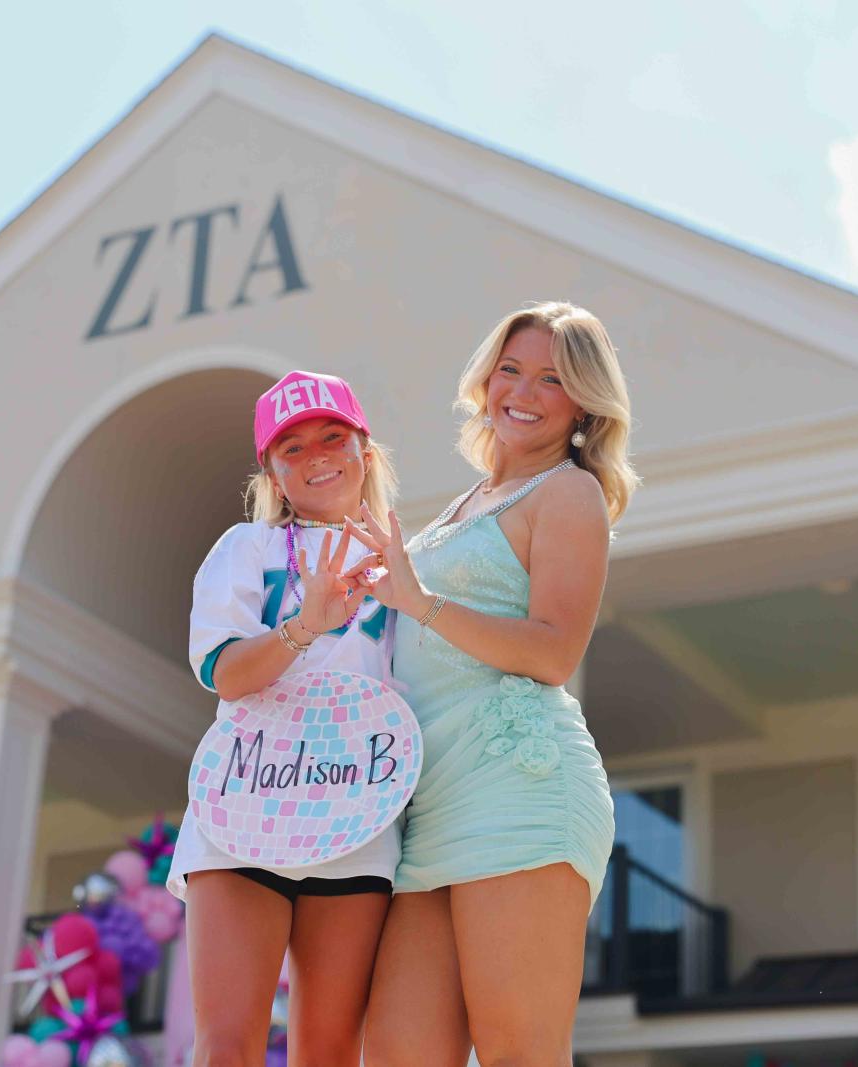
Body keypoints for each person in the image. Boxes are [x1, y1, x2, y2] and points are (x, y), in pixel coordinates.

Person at [347, 302, 639, 1066]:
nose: (524, 390)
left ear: (581, 404)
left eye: (551, 378)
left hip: (518, 785)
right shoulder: (458, 506)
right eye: (511, 368)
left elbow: (552, 652)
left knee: (520, 1054)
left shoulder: (568, 493)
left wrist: (420, 599)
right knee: (398, 1053)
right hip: (426, 803)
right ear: (485, 378)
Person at [167, 369, 402, 1067]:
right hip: (246, 807)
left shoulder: (403, 563)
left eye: (334, 436)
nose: (317, 455)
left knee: (329, 1052)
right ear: (270, 468)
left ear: (366, 449)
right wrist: (306, 625)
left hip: (356, 821)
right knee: (228, 1048)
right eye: (291, 447)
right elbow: (225, 672)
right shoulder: (246, 549)